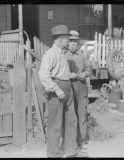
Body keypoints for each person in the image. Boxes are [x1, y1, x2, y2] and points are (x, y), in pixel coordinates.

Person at [38, 25, 88, 158]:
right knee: (55, 124)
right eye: (67, 39)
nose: (69, 41)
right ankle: (53, 154)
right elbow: (43, 75)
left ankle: (71, 151)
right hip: (57, 91)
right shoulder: (50, 54)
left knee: (71, 121)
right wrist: (56, 89)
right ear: (60, 39)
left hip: (67, 89)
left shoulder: (61, 53)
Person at [65, 30, 91, 150]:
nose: (73, 44)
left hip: (81, 86)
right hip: (69, 86)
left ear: (78, 43)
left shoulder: (83, 55)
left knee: (81, 112)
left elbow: (88, 70)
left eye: (75, 42)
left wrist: (84, 75)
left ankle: (81, 140)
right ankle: (70, 140)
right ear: (68, 43)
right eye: (71, 42)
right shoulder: (64, 55)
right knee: (70, 112)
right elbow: (58, 72)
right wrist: (69, 75)